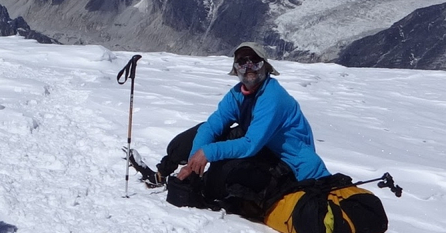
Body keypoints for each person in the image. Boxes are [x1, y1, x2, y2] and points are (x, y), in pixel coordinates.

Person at [130, 42, 330, 217]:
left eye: (255, 61)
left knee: (226, 173)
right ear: (236, 69)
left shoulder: (272, 97)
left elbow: (251, 144)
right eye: (242, 62)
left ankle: (213, 190)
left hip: (290, 163)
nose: (248, 66)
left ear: (265, 65)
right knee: (194, 138)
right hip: (264, 149)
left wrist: (208, 153)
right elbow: (212, 126)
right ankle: (164, 172)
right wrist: (194, 160)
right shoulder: (237, 95)